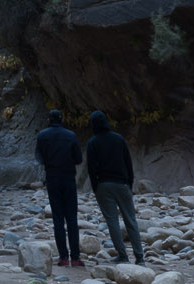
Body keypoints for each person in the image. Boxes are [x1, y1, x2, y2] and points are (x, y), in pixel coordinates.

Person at [84, 110, 144, 264]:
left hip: (103, 185)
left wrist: (96, 186)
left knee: (112, 221)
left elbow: (91, 168)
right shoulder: (119, 139)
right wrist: (129, 183)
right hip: (122, 184)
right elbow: (128, 163)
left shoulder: (92, 142)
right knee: (131, 220)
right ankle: (139, 257)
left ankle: (123, 256)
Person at [33, 107, 83, 268]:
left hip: (52, 178)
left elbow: (39, 158)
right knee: (72, 218)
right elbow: (78, 159)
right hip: (68, 178)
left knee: (58, 219)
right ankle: (75, 257)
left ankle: (63, 257)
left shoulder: (42, 136)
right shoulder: (71, 135)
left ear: (49, 120)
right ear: (61, 120)